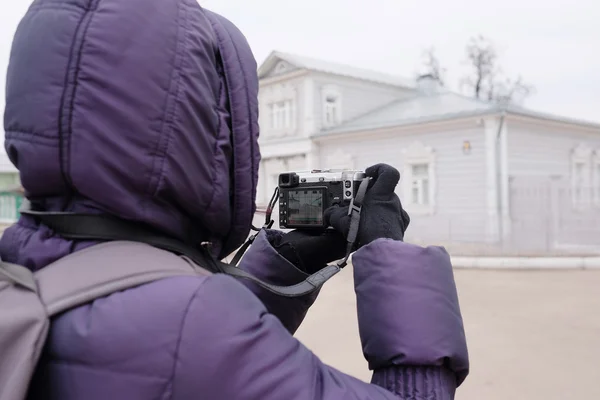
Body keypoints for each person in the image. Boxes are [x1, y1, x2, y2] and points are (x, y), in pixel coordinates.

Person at [1, 0, 468, 398]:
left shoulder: (19, 266)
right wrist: (392, 256)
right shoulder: (192, 324)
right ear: (205, 133)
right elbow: (192, 341)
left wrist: (281, 267)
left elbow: (184, 351)